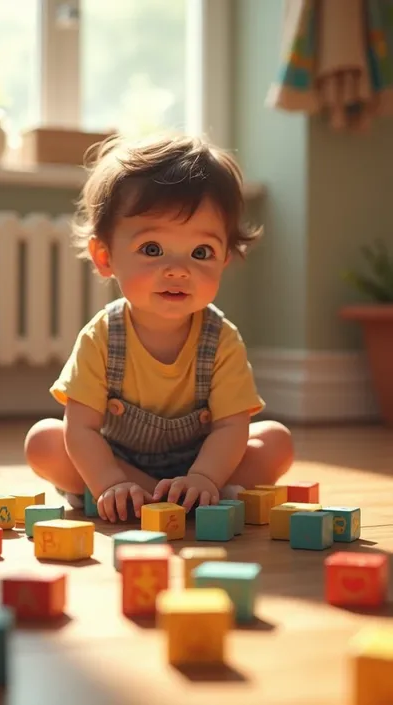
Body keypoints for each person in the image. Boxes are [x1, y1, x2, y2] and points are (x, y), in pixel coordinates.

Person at [25, 132, 293, 523]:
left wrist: (204, 475)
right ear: (105, 257)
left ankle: (189, 494)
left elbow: (231, 426)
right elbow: (80, 428)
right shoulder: (101, 337)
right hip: (117, 462)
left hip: (202, 464)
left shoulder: (222, 340)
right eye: (152, 249)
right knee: (44, 441)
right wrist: (108, 480)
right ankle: (130, 494)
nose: (178, 270)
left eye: (201, 252)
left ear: (225, 260)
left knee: (276, 442)